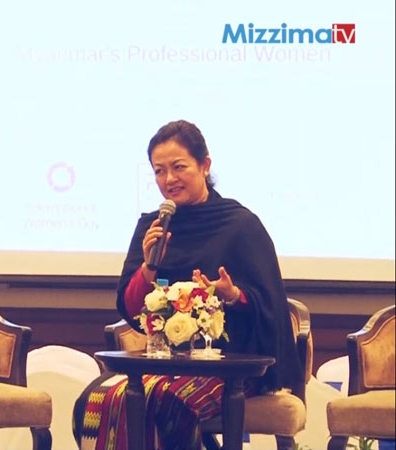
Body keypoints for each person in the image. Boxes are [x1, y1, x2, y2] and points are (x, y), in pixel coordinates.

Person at [73, 120, 303, 450]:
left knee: (163, 401)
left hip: (231, 369)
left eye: (178, 167)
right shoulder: (152, 226)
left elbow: (270, 305)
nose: (169, 179)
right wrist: (149, 267)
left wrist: (234, 295)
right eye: (159, 171)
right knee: (95, 398)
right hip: (163, 363)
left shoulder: (240, 225)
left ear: (205, 165)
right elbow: (131, 308)